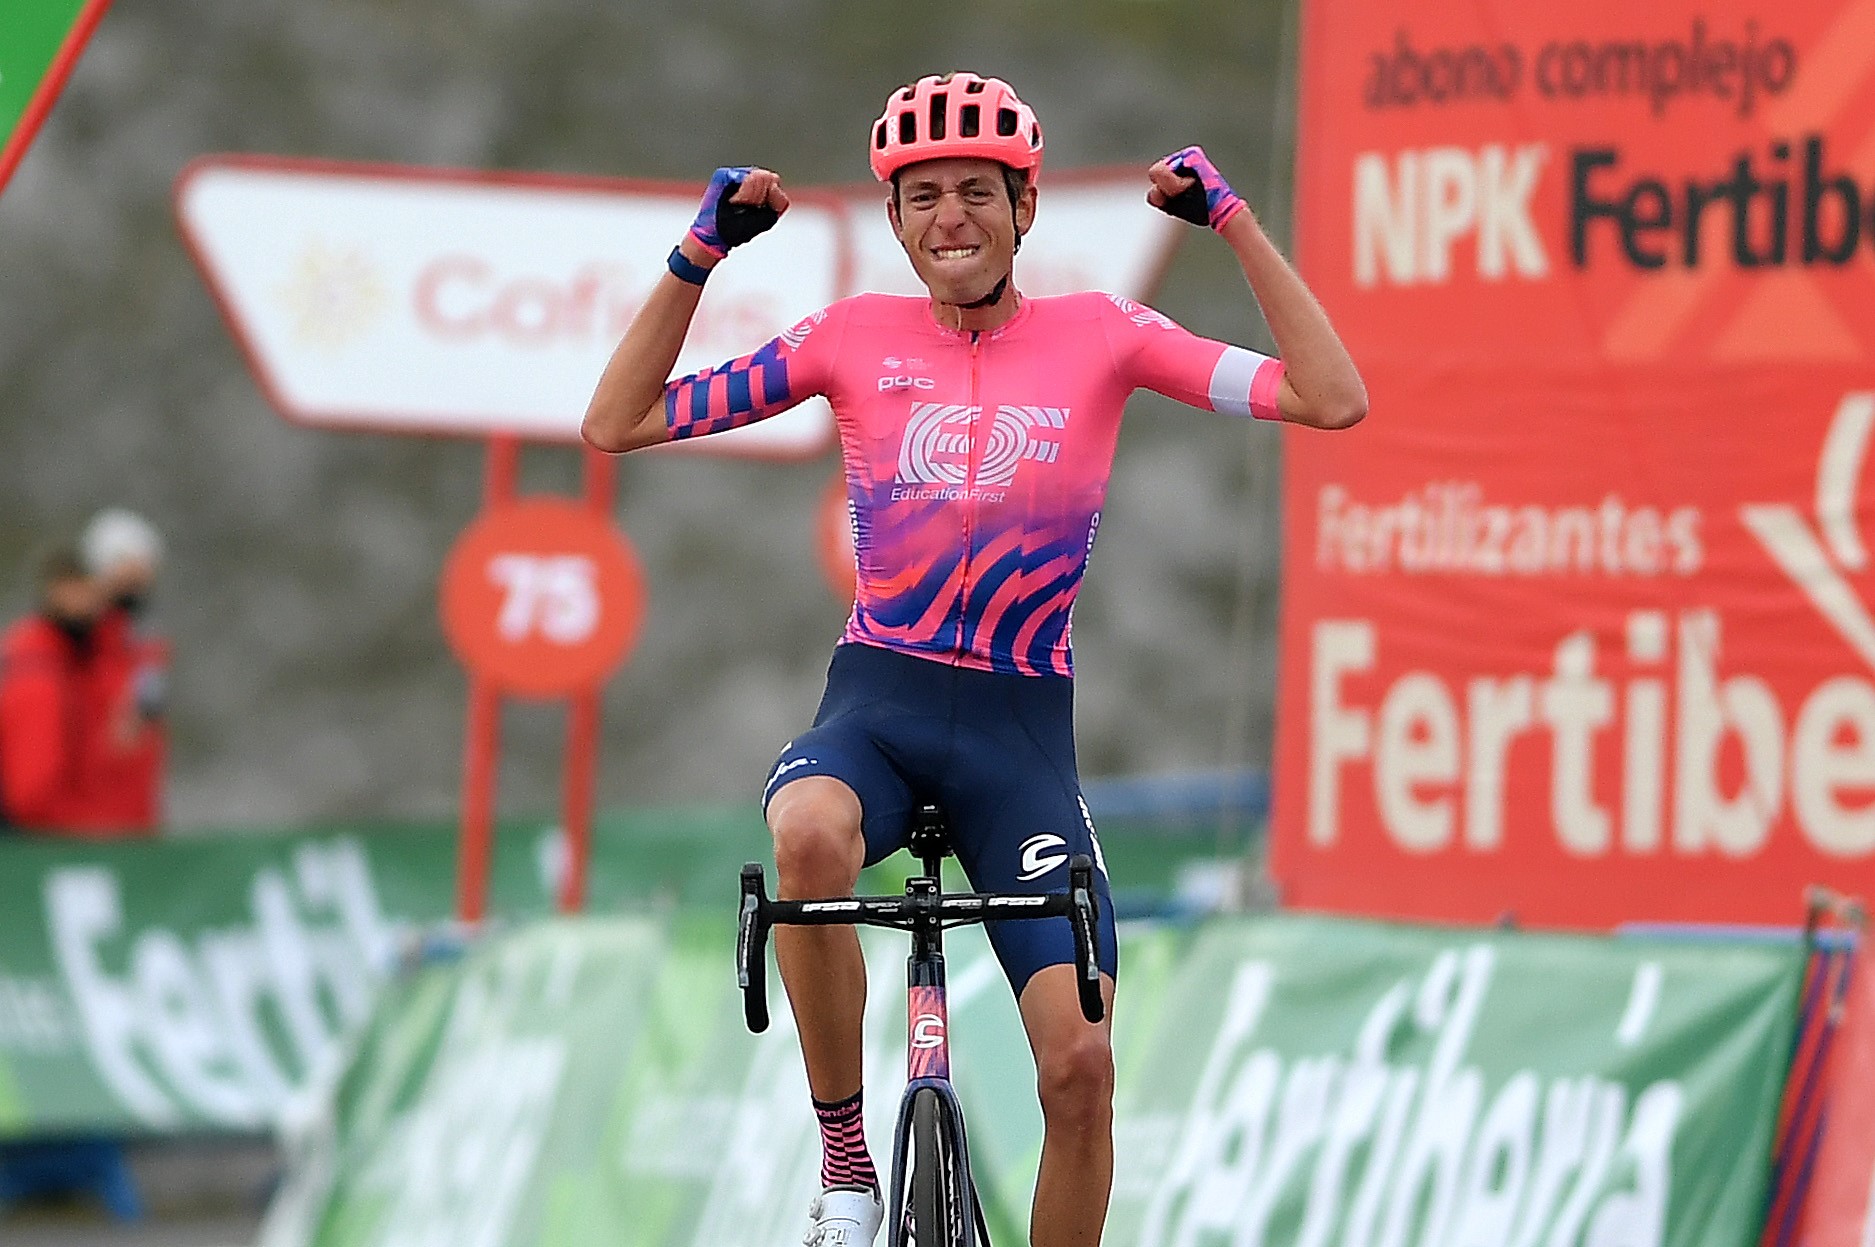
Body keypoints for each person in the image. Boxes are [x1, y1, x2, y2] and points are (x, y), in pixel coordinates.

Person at [583, 71, 1366, 1247]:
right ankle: (847, 1172)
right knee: (804, 833)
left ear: (1025, 209)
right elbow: (619, 420)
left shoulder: (1106, 335)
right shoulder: (852, 338)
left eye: (978, 193)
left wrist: (1232, 221)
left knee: (1082, 1070)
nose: (952, 215)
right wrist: (701, 253)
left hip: (1019, 739)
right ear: (895, 222)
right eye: (926, 196)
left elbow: (1331, 396)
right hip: (878, 708)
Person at [0, 542, 127, 834]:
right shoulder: (38, 669)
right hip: (36, 849)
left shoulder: (76, 663)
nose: (89, 603)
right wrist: (96, 827)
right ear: (54, 592)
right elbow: (33, 797)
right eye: (78, 590)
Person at [81, 508, 169, 831]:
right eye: (125, 570)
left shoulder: (144, 650)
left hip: (132, 824)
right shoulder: (78, 648)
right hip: (82, 827)